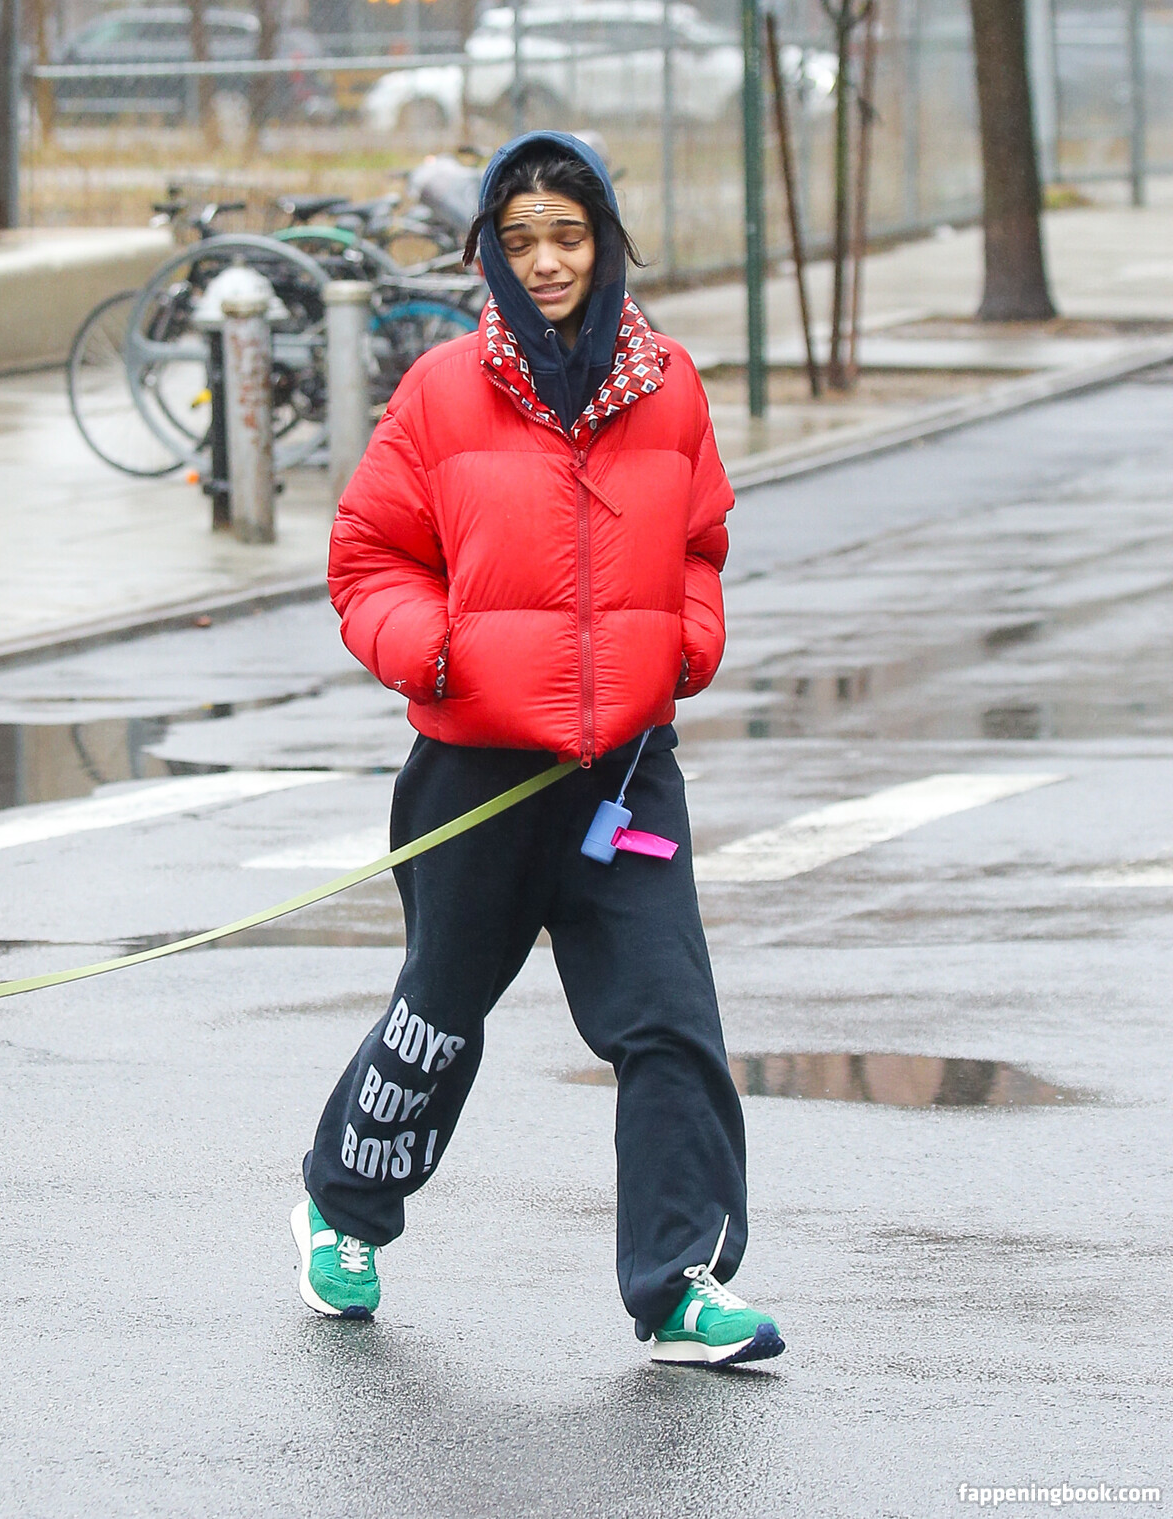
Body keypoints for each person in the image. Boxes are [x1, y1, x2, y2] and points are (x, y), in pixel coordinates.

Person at [288, 131, 782, 1367]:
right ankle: (341, 1212)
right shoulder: (441, 392)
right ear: (489, 257)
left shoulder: (670, 387)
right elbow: (367, 559)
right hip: (479, 771)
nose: (547, 261)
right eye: (520, 242)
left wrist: (687, 643)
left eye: (569, 236)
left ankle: (680, 1286)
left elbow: (700, 544)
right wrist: (436, 652)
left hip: (626, 777)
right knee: (439, 1015)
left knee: (669, 1021)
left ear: (606, 242)